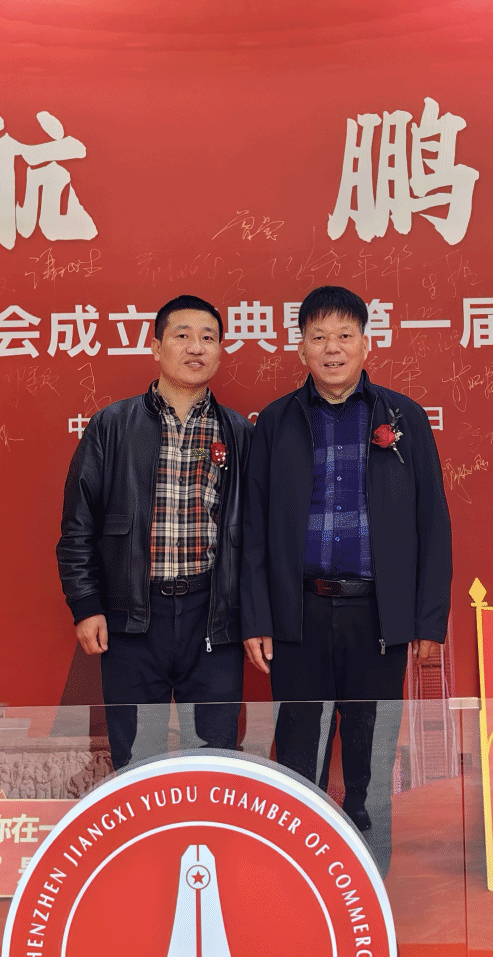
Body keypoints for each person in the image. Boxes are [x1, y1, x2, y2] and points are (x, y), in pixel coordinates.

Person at [242, 285, 451, 833]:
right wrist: (258, 617)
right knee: (298, 748)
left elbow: (432, 523)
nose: (331, 349)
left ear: (366, 344)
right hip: (299, 614)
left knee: (372, 748)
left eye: (343, 336)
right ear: (301, 348)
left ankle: (370, 860)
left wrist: (427, 622)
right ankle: (299, 855)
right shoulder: (276, 422)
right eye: (318, 337)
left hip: (378, 614)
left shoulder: (403, 418)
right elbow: (254, 529)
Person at [57, 295, 252, 768]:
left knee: (216, 758)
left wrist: (252, 617)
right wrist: (86, 605)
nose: (196, 347)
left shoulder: (239, 433)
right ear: (156, 347)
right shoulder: (112, 426)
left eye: (208, 338)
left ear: (220, 351)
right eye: (182, 335)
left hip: (212, 618)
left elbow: (255, 535)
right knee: (136, 759)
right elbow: (78, 525)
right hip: (132, 619)